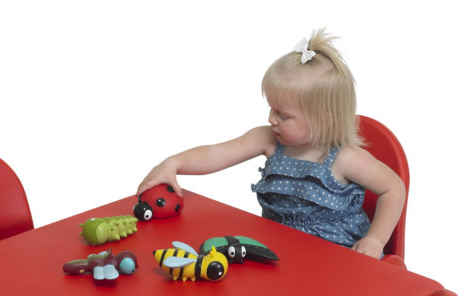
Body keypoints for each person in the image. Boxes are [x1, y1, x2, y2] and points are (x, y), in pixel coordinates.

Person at [136, 29, 405, 260]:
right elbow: (217, 153)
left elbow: (393, 188)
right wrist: (173, 163)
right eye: (271, 109)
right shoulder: (268, 139)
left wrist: (375, 240)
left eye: (283, 115)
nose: (271, 119)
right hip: (279, 251)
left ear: (323, 120)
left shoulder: (345, 159)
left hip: (339, 259)